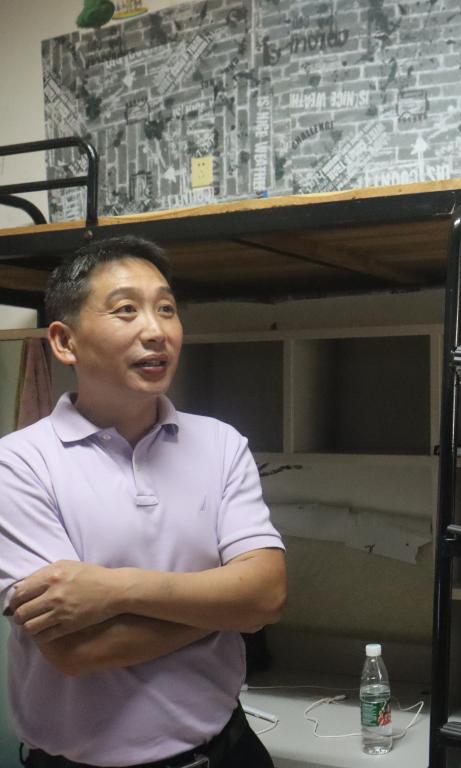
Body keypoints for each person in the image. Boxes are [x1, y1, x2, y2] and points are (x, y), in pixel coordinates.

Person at [0, 236, 287, 767]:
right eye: (126, 310)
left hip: (229, 751)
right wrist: (227, 608)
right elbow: (77, 650)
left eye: (167, 309)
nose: (156, 331)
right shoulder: (18, 464)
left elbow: (267, 594)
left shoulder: (221, 443)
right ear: (64, 341)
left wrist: (114, 590)